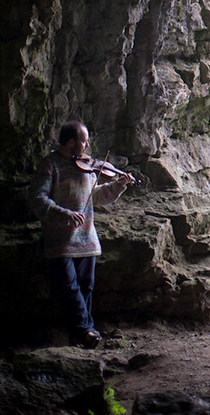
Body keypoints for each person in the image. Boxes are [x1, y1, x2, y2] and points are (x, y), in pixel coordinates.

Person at [28, 120, 132, 348]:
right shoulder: (49, 165)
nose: (87, 145)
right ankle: (87, 331)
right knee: (69, 288)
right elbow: (37, 199)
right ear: (71, 142)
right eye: (83, 140)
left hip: (87, 239)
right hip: (60, 241)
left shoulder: (86, 167)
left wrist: (118, 185)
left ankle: (82, 335)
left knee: (86, 287)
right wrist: (63, 213)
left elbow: (96, 196)